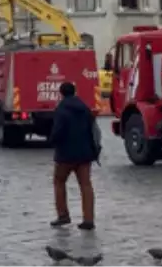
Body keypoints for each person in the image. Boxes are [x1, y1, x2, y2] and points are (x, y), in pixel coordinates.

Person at [49, 81, 98, 231]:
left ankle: (63, 215)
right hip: (84, 153)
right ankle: (88, 219)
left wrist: (52, 141)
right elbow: (92, 129)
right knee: (86, 185)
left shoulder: (61, 109)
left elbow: (58, 132)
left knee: (59, 181)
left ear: (61, 93)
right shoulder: (84, 108)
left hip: (66, 154)